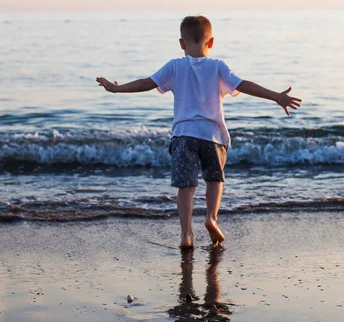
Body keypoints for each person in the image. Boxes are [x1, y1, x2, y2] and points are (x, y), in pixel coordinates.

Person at [96, 15, 301, 249]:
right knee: (214, 180)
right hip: (213, 136)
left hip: (184, 135)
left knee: (186, 186)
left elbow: (146, 83)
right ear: (211, 42)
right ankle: (211, 218)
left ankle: (186, 234)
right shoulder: (218, 66)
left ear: (182, 43)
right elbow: (243, 84)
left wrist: (116, 88)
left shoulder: (174, 66)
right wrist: (276, 96)